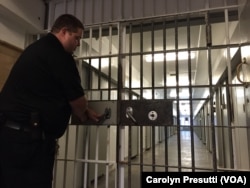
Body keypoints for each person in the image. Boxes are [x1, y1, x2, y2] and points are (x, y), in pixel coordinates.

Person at [0, 14, 100, 188]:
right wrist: (84, 111)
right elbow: (77, 103)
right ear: (64, 32)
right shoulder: (60, 56)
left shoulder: (35, 49)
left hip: (9, 137)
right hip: (29, 144)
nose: (78, 44)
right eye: (76, 38)